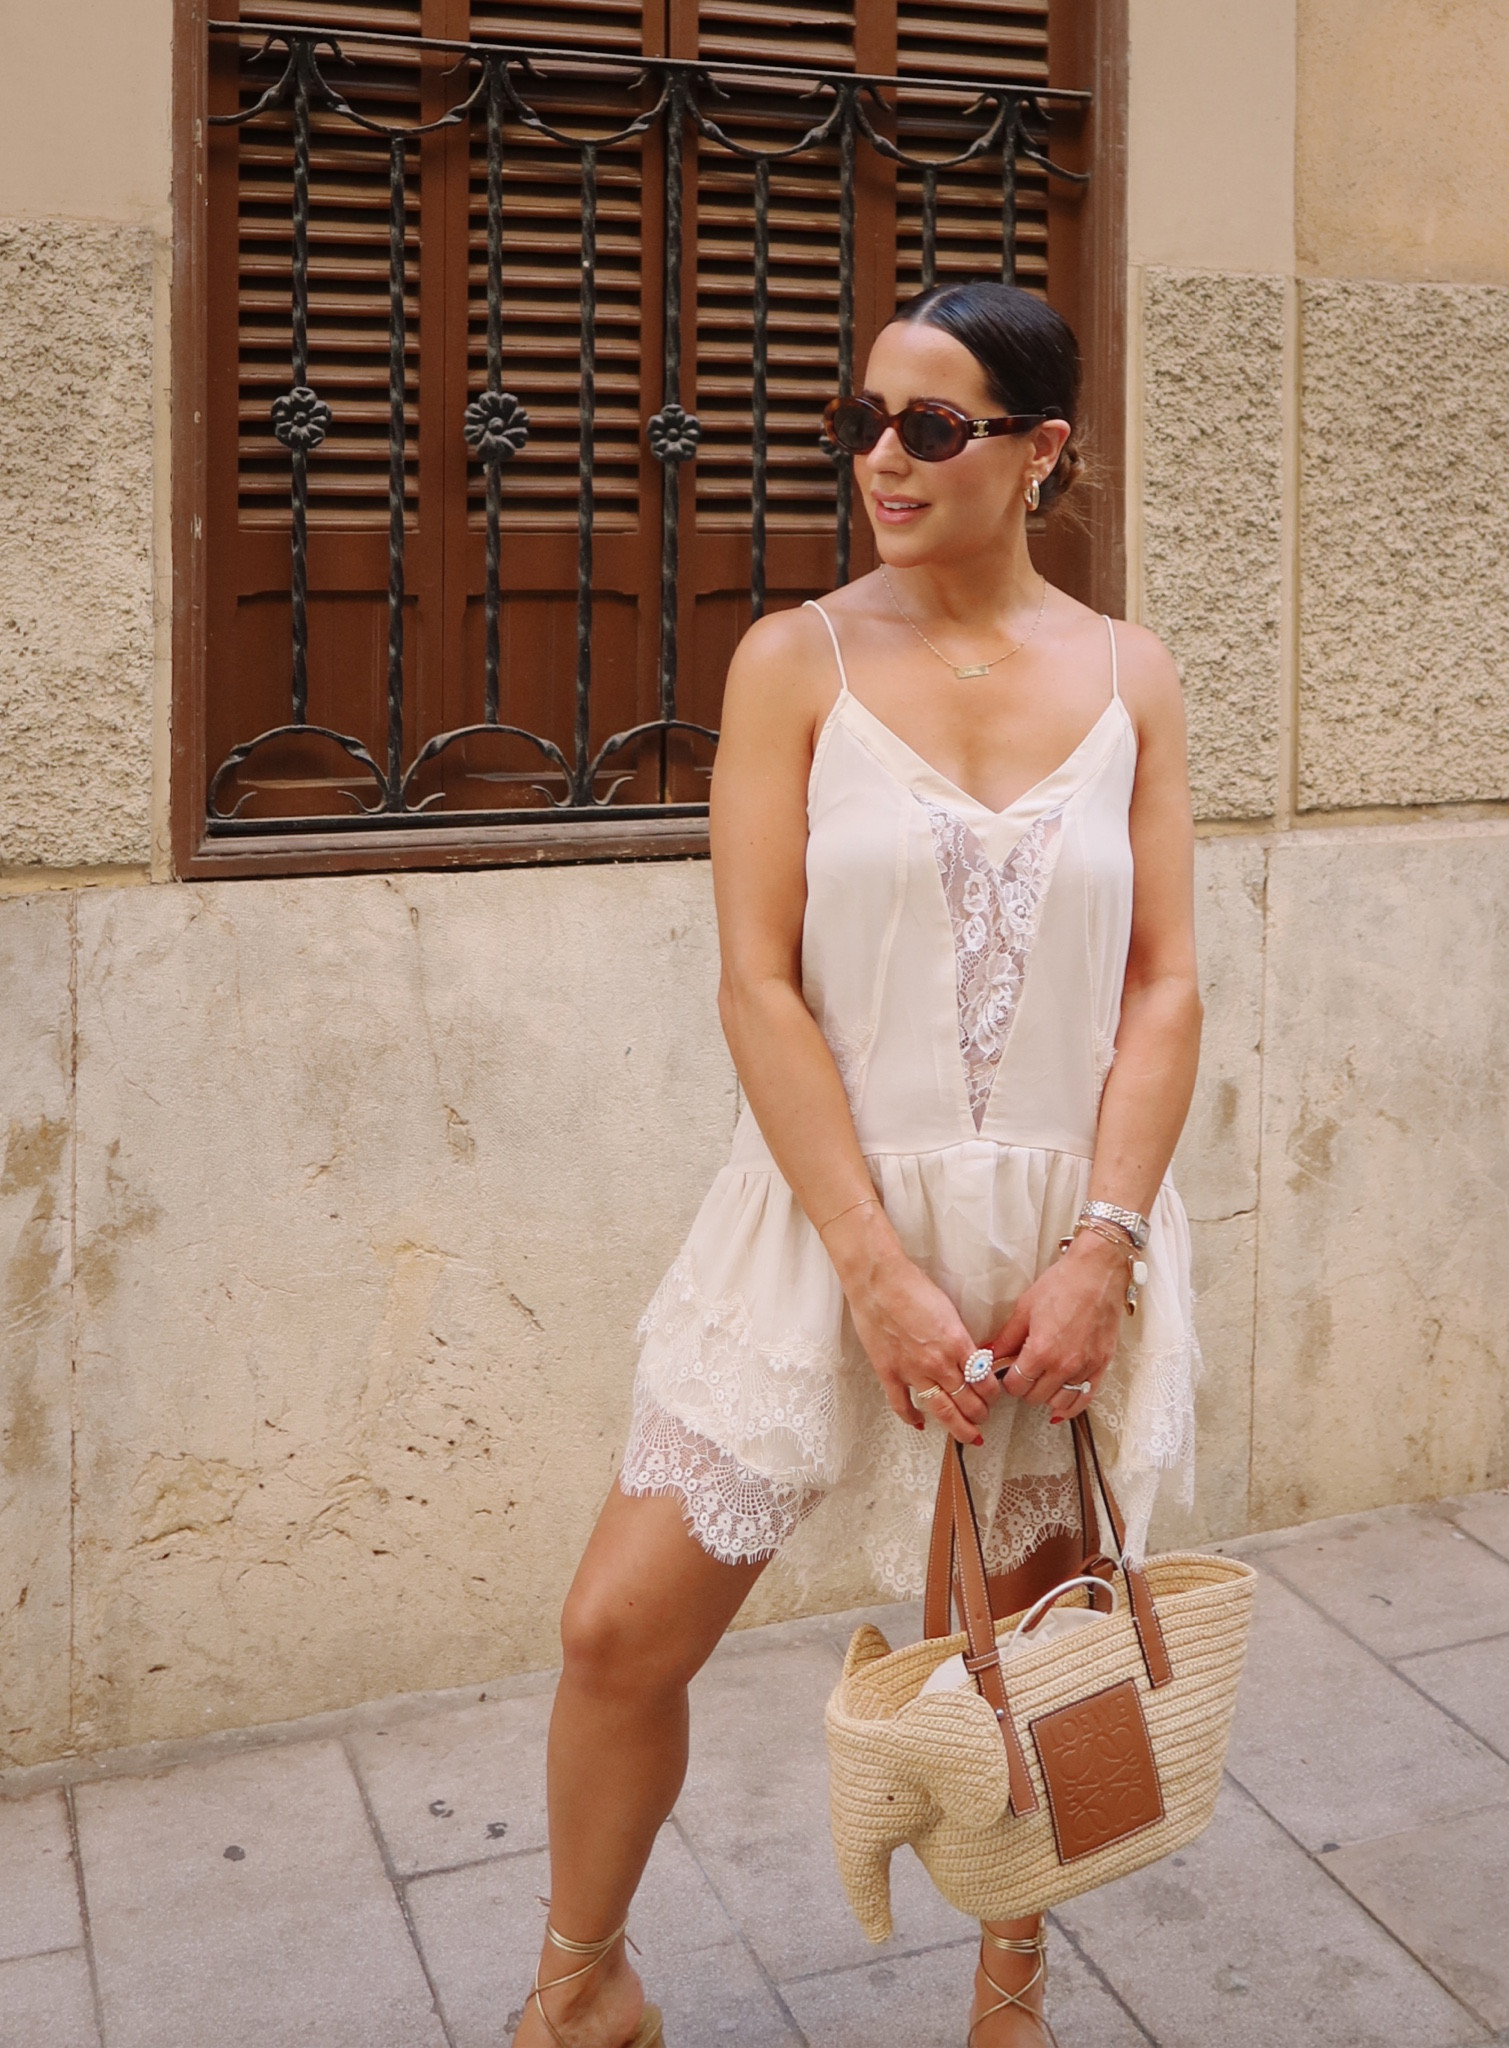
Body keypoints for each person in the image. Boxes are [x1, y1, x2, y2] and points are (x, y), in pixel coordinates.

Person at [513, 279, 1204, 2048]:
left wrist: (1104, 1249)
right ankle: (582, 1989)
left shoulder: (1131, 676)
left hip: (1064, 1231)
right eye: (866, 422)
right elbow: (753, 978)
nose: (881, 458)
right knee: (618, 1628)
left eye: (933, 426)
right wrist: (873, 1263)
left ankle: (1011, 2006)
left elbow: (1166, 985)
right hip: (825, 1218)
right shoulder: (795, 660)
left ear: (1042, 452)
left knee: (1025, 1663)